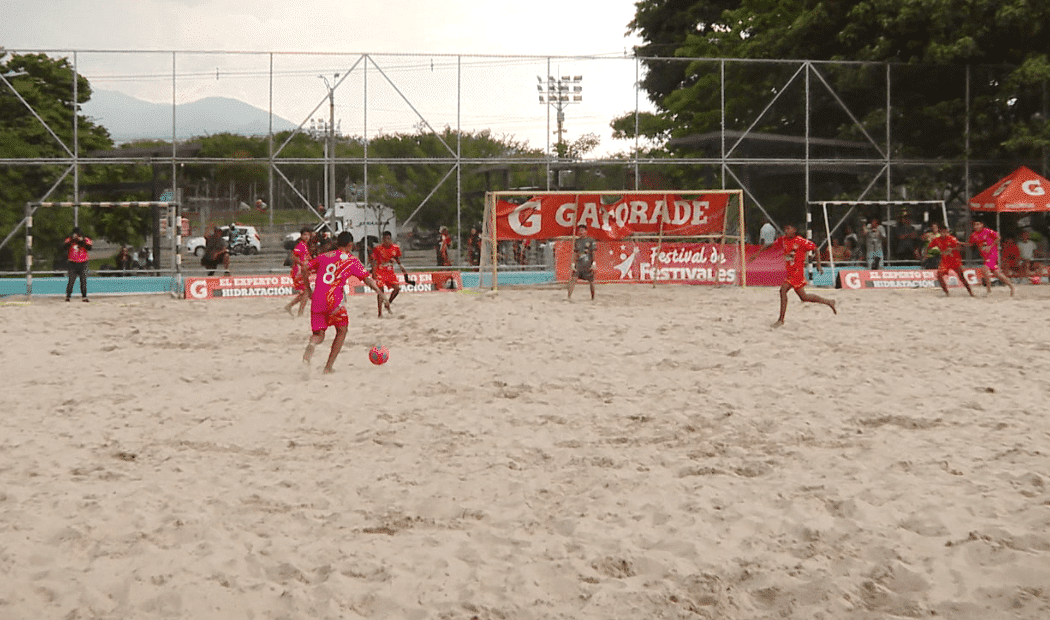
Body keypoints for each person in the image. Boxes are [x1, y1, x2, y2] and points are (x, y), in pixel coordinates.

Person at [303, 231, 389, 374]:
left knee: (319, 335)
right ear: (350, 245)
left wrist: (308, 289)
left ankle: (312, 343)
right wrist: (380, 293)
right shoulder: (351, 260)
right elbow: (367, 279)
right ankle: (328, 367)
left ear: (337, 243)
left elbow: (305, 268)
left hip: (317, 299)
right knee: (342, 330)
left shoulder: (324, 256)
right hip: (334, 301)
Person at [753, 223, 836, 327]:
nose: (786, 231)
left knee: (783, 290)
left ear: (794, 229)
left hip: (797, 273)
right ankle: (829, 302)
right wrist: (757, 253)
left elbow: (816, 248)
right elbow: (770, 245)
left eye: (788, 228)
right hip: (791, 272)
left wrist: (818, 265)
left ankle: (781, 320)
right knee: (804, 297)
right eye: (785, 228)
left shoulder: (800, 241)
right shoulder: (783, 239)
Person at [370, 230, 412, 318]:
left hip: (390, 272)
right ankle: (379, 313)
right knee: (381, 291)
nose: (387, 241)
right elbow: (373, 260)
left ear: (390, 239)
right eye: (385, 239)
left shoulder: (395, 248)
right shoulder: (378, 249)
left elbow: (396, 257)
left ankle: (388, 303)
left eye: (388, 239)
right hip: (380, 271)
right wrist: (373, 272)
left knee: (397, 288)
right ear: (382, 239)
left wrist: (401, 266)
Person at [968, 220, 1015, 296]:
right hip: (985, 256)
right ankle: (1011, 286)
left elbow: (998, 237)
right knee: (997, 273)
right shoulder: (974, 235)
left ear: (982, 224)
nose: (976, 226)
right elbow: (970, 244)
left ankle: (989, 290)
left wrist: (990, 246)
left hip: (992, 254)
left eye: (978, 224)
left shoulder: (988, 231)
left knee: (984, 269)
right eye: (975, 225)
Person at [927, 225, 975, 297]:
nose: (944, 233)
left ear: (947, 232)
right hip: (945, 261)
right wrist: (928, 253)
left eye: (946, 232)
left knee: (961, 277)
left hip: (955, 261)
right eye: (942, 232)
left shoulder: (952, 239)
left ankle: (970, 292)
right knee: (939, 275)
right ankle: (946, 292)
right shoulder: (937, 240)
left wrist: (952, 249)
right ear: (940, 232)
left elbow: (960, 248)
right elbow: (929, 247)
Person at [284, 227, 313, 316]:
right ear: (301, 236)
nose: (306, 237)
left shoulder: (305, 246)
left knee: (306, 292)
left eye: (308, 235)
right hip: (298, 271)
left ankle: (289, 306)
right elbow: (293, 256)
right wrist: (302, 264)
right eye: (305, 234)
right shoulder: (301, 245)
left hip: (302, 271)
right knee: (306, 292)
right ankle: (300, 312)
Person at [63, 226, 92, 302]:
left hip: (83, 262)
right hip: (72, 262)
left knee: (83, 280)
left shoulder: (85, 239)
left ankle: (84, 296)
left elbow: (89, 247)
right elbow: (64, 246)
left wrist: (81, 241)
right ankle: (68, 296)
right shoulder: (69, 240)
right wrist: (72, 239)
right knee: (71, 280)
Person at [568, 223, 596, 300]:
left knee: (591, 281)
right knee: (573, 279)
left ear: (586, 231)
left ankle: (593, 298)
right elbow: (575, 252)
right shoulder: (577, 241)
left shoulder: (590, 240)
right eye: (579, 231)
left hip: (588, 263)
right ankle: (569, 297)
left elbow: (593, 252)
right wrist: (573, 263)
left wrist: (594, 263)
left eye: (582, 230)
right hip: (579, 264)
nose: (580, 232)